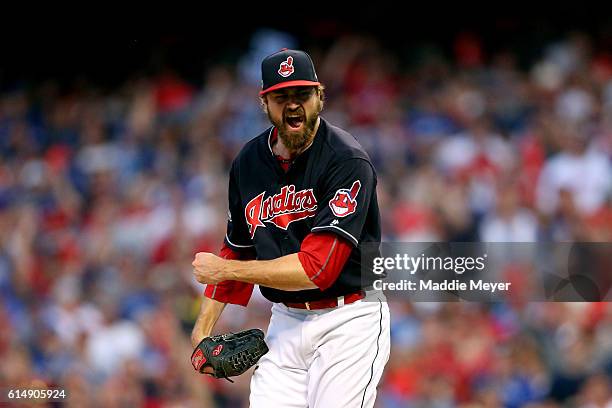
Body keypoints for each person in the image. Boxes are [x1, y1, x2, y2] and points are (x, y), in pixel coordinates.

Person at [191, 48, 390, 407]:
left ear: (320, 97)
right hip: (285, 320)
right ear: (265, 103)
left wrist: (224, 269)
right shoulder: (248, 162)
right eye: (282, 97)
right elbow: (238, 247)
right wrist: (201, 330)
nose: (294, 105)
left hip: (349, 320)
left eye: (302, 95)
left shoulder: (346, 160)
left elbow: (318, 270)